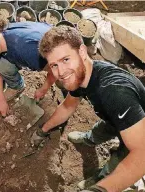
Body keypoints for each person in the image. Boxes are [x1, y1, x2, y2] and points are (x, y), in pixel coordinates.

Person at [31, 26, 145, 192]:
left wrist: (100, 190)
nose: (61, 72)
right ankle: (89, 139)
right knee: (102, 129)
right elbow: (68, 106)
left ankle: (102, 178)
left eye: (65, 60)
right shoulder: (81, 75)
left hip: (137, 128)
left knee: (121, 157)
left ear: (82, 52)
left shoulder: (114, 92)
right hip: (113, 118)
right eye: (54, 65)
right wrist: (43, 130)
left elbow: (141, 154)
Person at [0, 19, 65, 117]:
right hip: (40, 46)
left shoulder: (27, 51)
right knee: (1, 65)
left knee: (62, 80)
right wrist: (1, 100)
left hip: (62, 53)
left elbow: (55, 69)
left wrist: (43, 89)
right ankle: (17, 87)